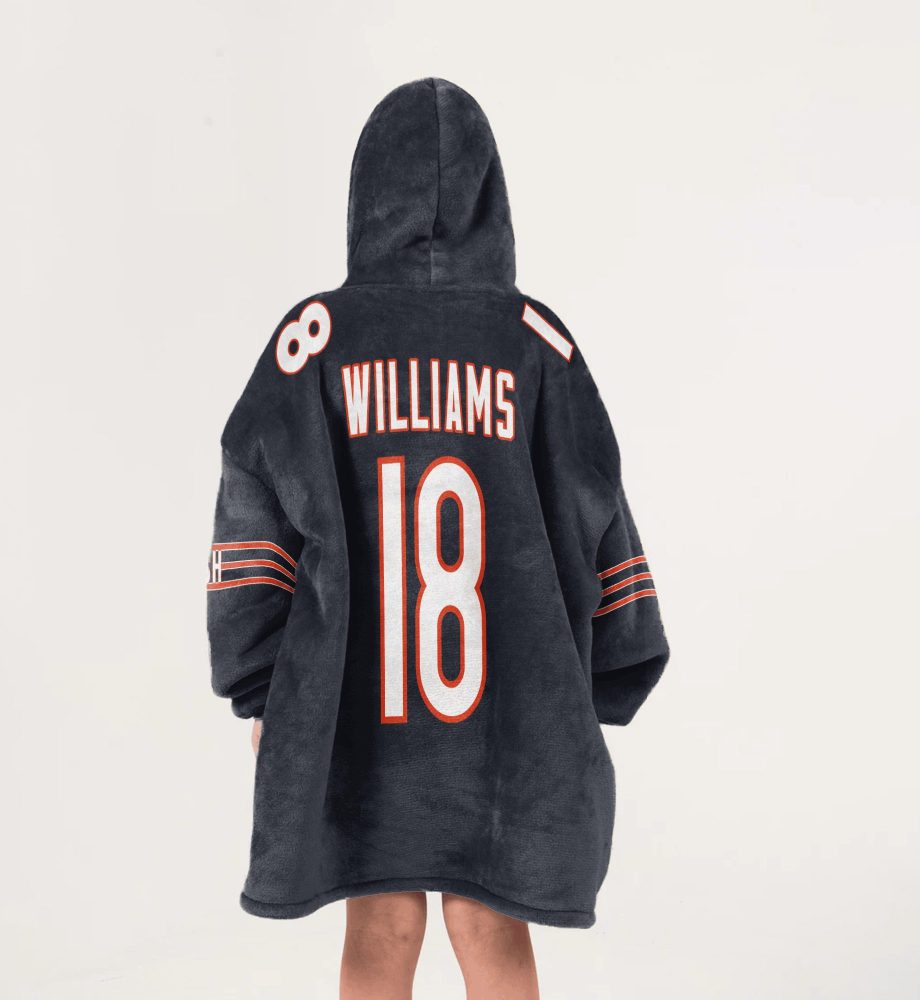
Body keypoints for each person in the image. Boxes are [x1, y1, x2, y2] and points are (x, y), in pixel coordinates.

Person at [207, 78, 669, 1000]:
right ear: (493, 198)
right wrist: (611, 667)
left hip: (358, 699)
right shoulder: (537, 343)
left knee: (379, 921)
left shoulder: (314, 340)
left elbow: (252, 504)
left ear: (365, 192)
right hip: (508, 705)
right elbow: (598, 502)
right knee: (489, 918)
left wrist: (261, 685)